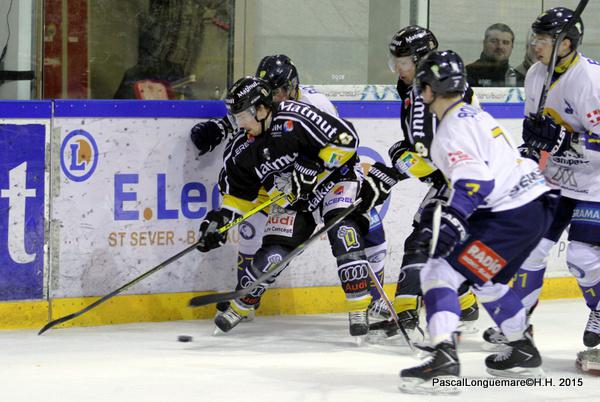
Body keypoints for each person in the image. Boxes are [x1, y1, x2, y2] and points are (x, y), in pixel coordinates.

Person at [398, 50, 555, 393]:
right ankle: (522, 351)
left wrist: (452, 221)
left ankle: (443, 360)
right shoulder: (477, 115)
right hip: (536, 209)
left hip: (509, 216)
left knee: (440, 271)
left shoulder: (449, 131)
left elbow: (475, 182)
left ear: (426, 90)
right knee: (488, 281)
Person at [190, 55, 390, 322]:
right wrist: (222, 219)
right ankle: (246, 296)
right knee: (268, 243)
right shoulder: (248, 134)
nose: (278, 97)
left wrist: (314, 165)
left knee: (354, 229)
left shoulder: (311, 107)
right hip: (291, 189)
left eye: (281, 90)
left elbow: (344, 142)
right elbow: (239, 185)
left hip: (332, 179)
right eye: (272, 92)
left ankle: (371, 302)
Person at [483, 7, 600, 351]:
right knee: (531, 251)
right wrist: (528, 155)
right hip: (557, 179)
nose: (538, 46)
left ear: (567, 43)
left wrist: (568, 140)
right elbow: (536, 131)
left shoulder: (591, 81)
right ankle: (517, 325)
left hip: (595, 182)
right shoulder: (536, 73)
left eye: (546, 40)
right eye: (537, 38)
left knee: (582, 257)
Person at [366, 26, 479, 340]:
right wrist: (401, 159)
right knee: (440, 247)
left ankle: (404, 311)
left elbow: (430, 154)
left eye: (403, 63)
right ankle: (466, 304)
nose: (398, 70)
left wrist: (394, 169)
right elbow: (424, 156)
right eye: (395, 63)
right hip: (453, 176)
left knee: (422, 242)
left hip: (465, 180)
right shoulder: (415, 89)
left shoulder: (436, 91)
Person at [466, 23, 517, 87]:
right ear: (484, 43)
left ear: (512, 47)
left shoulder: (517, 77)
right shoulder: (467, 74)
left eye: (505, 42)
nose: (500, 46)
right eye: (494, 41)